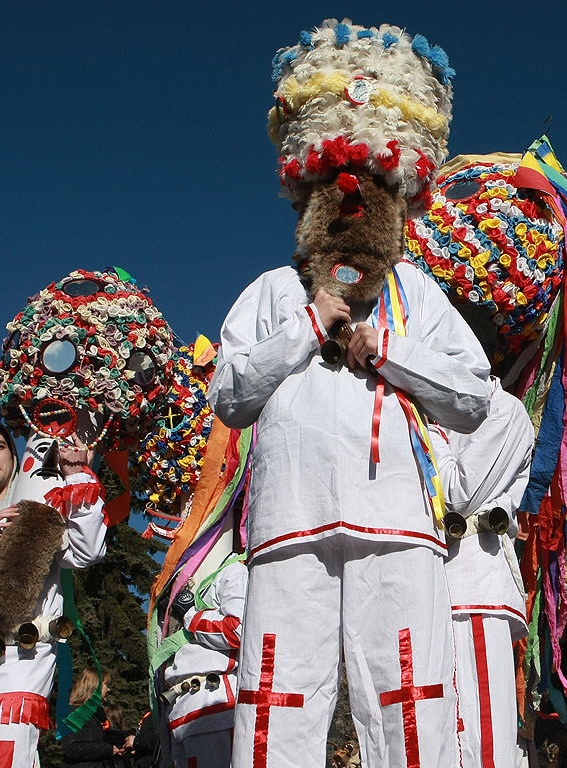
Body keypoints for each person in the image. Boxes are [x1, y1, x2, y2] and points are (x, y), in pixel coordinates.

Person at [208, 20, 489, 768]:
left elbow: (473, 395)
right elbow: (229, 394)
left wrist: (388, 351)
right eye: (335, 192)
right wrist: (306, 326)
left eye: (368, 191)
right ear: (306, 199)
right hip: (288, 525)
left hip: (397, 526)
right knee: (276, 701)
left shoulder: (417, 296)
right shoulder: (272, 292)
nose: (351, 204)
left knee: (409, 701)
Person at [0, 417, 108, 768]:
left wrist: (76, 475)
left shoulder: (42, 513)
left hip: (20, 667)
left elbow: (88, 551)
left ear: (13, 458)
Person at [426, 378, 534, 768]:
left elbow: (458, 491)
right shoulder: (433, 405)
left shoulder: (502, 409)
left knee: (480, 732)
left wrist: (427, 430)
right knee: (439, 728)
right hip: (432, 588)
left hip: (471, 587)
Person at [161, 555, 247, 768]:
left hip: (212, 706)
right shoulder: (179, 579)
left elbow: (239, 629)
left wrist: (190, 615)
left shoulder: (232, 570)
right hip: (179, 710)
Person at [61, 669, 133, 768]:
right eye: (106, 685)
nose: (108, 690)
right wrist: (108, 750)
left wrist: (123, 740)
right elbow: (72, 748)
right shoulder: (73, 714)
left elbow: (102, 736)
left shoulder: (96, 713)